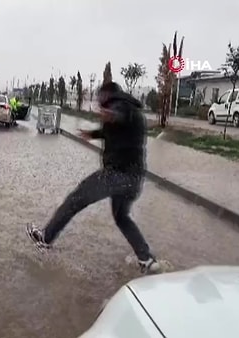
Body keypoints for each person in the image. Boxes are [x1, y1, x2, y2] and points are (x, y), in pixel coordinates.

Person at [26, 81, 162, 274]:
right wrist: (93, 133)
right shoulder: (134, 112)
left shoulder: (122, 106)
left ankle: (45, 238)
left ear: (108, 95)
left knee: (75, 199)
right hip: (134, 180)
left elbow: (120, 116)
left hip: (116, 175)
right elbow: (115, 131)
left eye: (100, 97)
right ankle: (146, 259)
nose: (99, 101)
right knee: (122, 217)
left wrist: (110, 114)